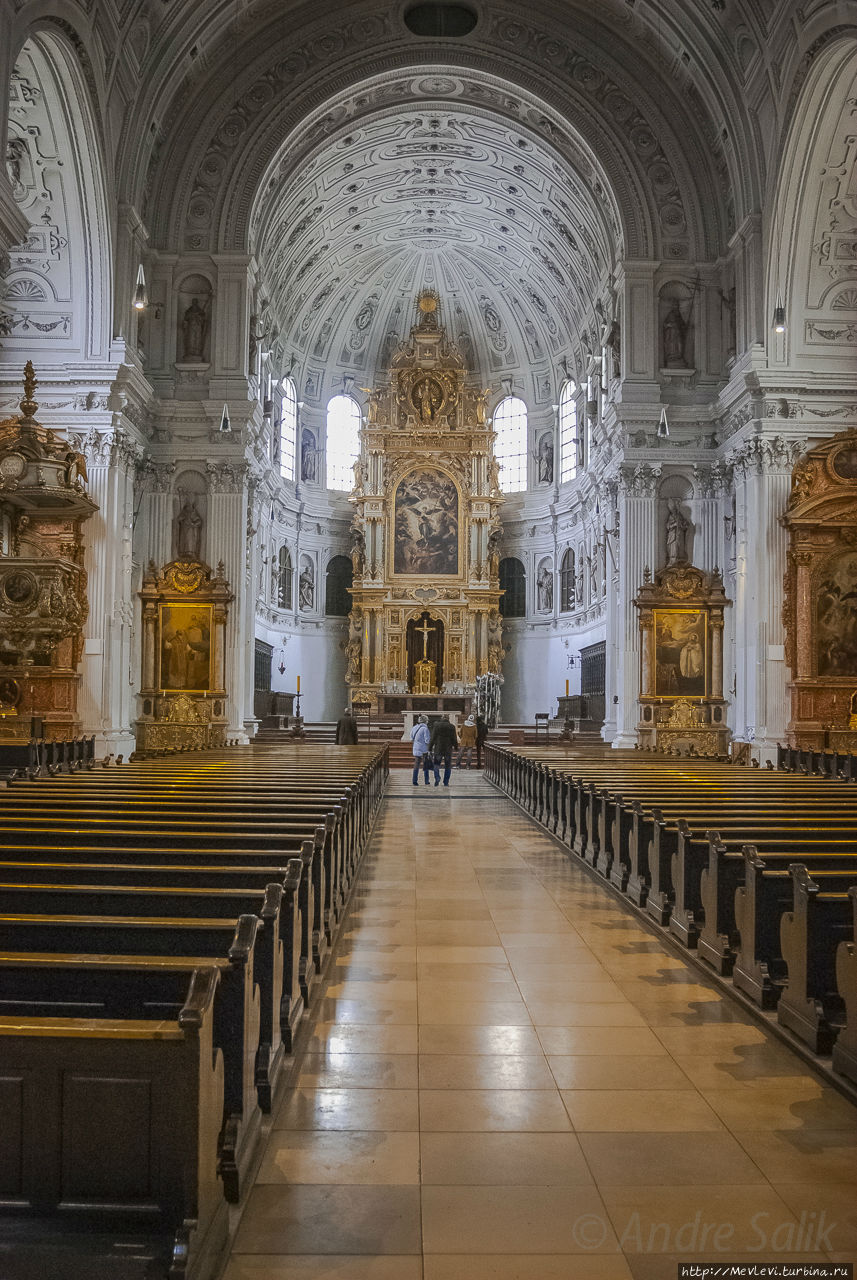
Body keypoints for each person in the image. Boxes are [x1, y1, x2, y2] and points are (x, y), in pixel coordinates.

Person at [429, 714, 458, 787]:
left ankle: (437, 778)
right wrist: (456, 747)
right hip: (448, 749)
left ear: (442, 718)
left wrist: (430, 747)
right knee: (448, 766)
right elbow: (454, 738)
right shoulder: (452, 727)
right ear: (448, 719)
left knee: (436, 764)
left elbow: (433, 737)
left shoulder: (436, 725)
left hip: (438, 748)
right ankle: (446, 782)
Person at [410, 714, 432, 786]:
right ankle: (426, 781)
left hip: (416, 748)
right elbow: (427, 741)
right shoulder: (425, 729)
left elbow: (411, 738)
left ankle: (414, 780)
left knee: (416, 765)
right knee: (425, 765)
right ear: (425, 721)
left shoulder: (414, 727)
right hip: (424, 749)